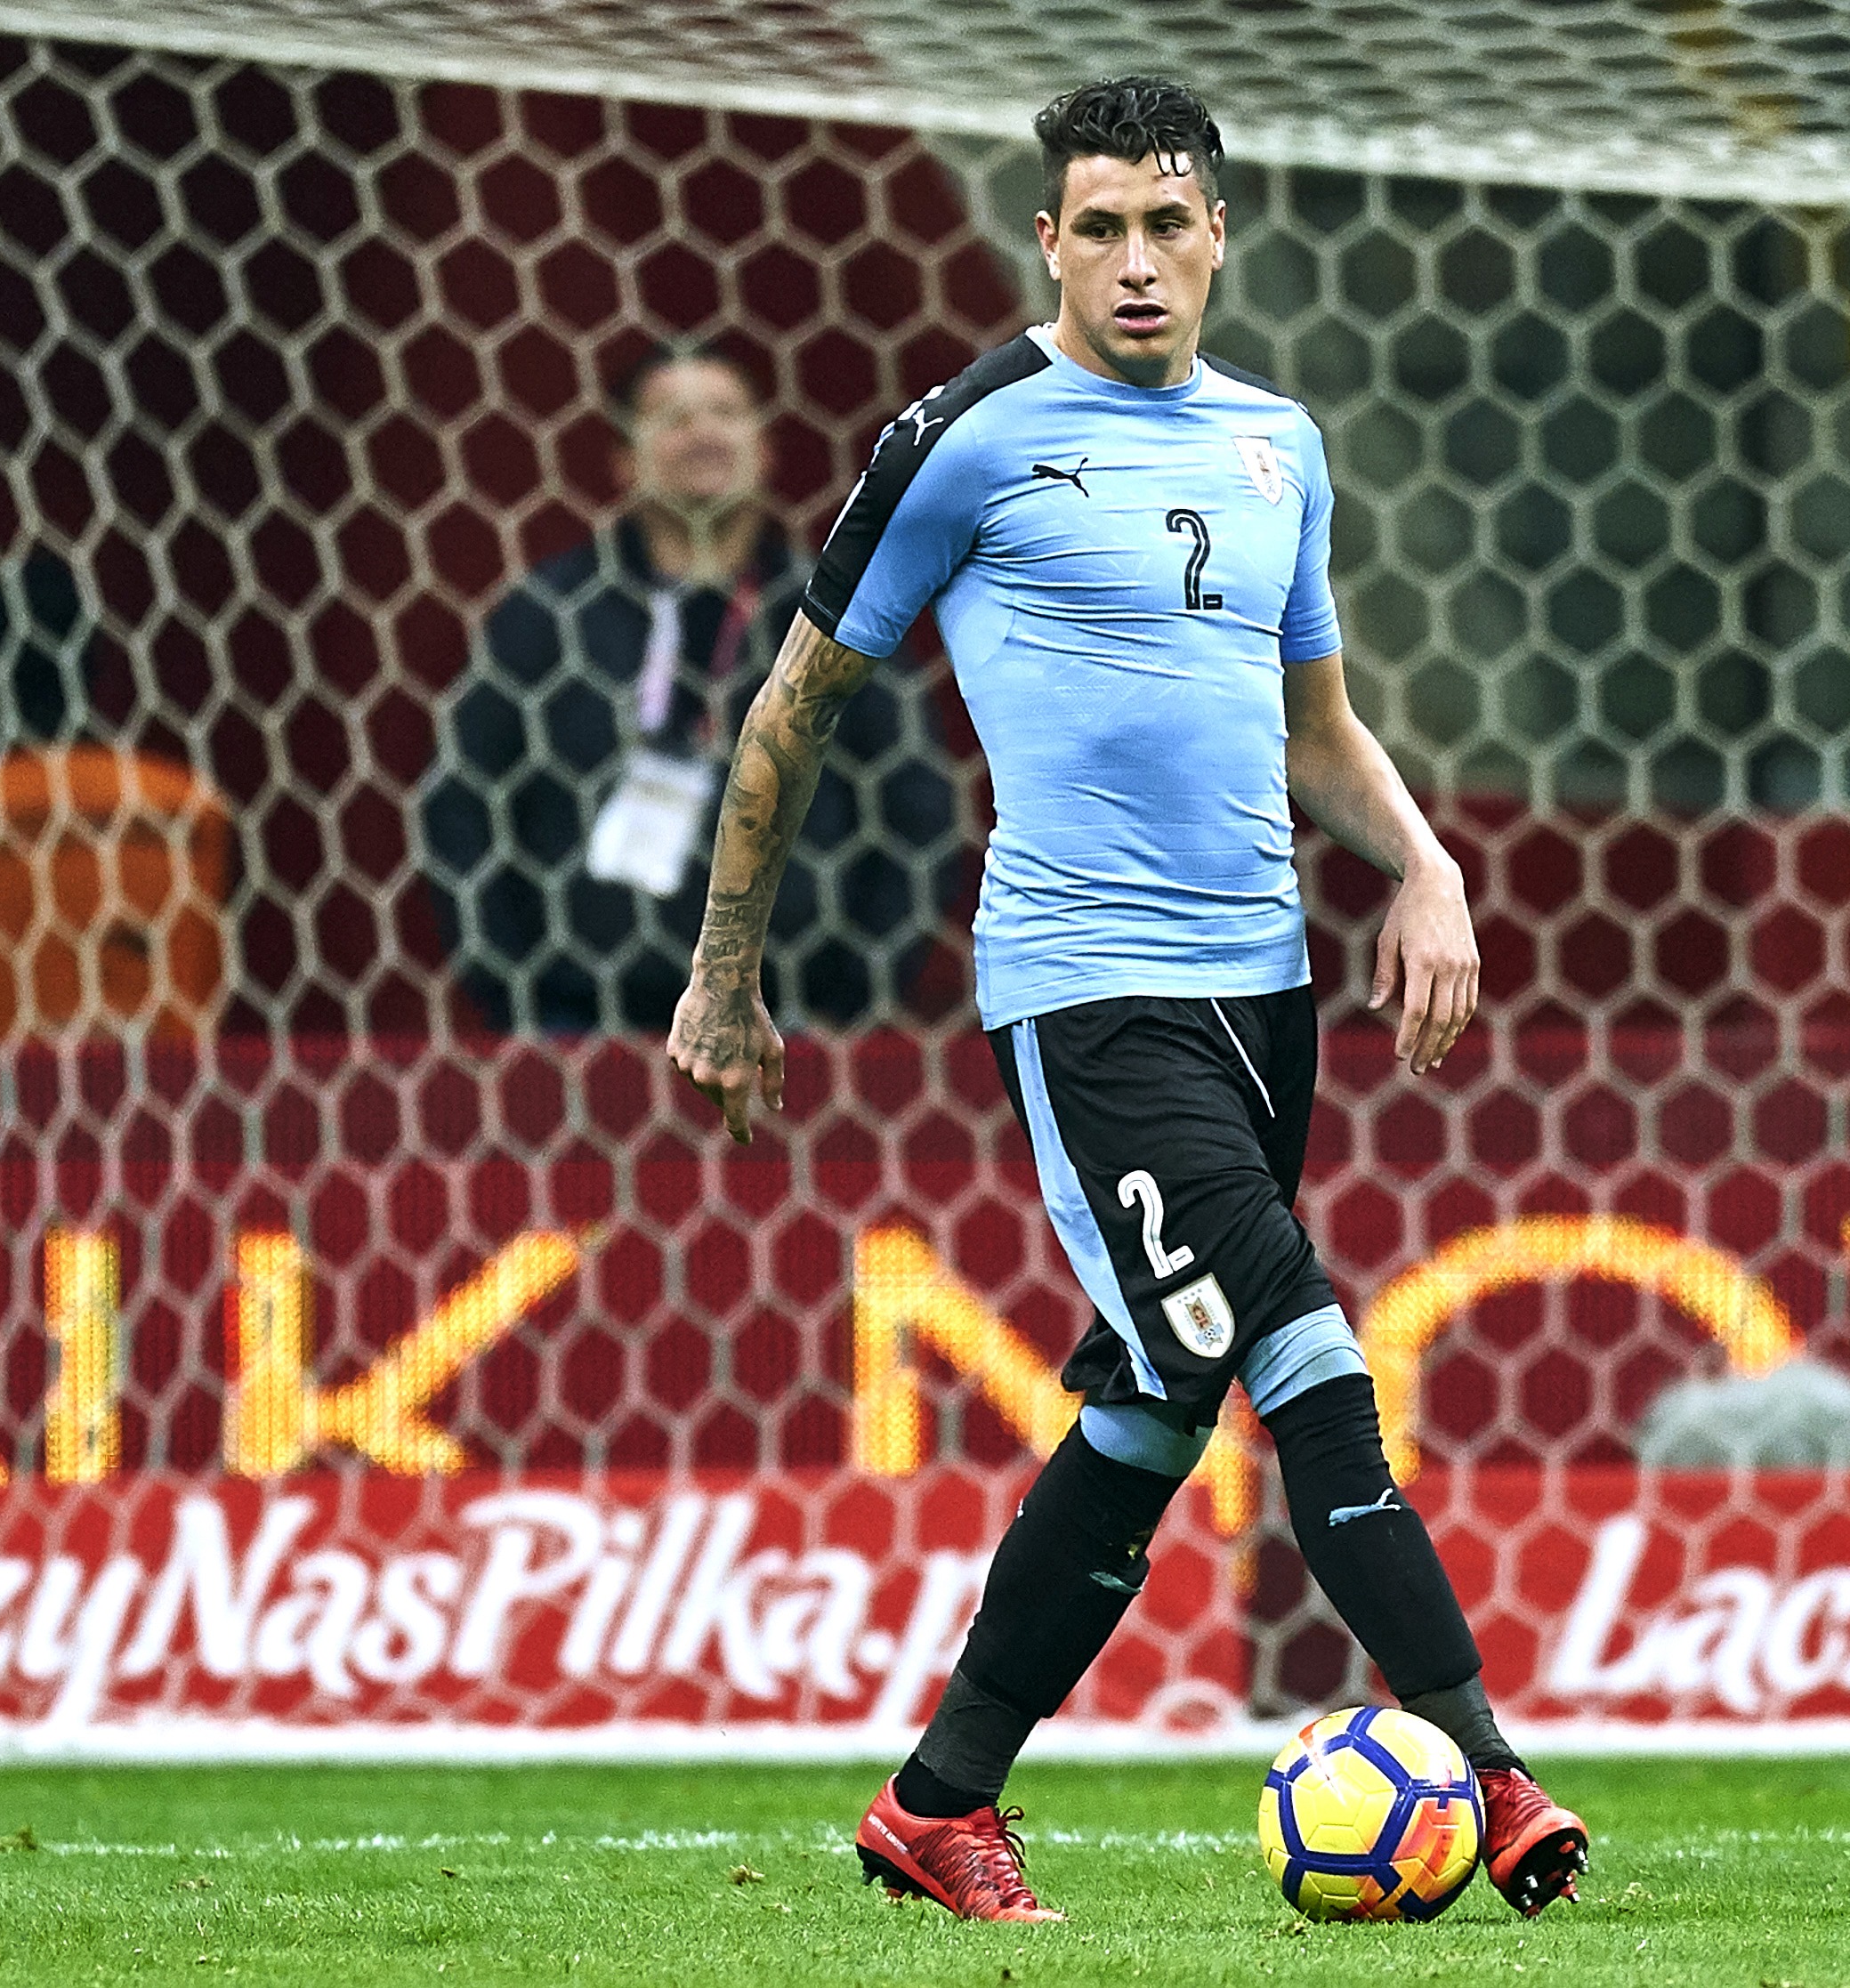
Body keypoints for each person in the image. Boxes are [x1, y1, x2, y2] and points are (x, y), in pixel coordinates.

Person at [665, 77, 1589, 1923]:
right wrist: (725, 972)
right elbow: (794, 705)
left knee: (1159, 1405)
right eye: (1102, 227)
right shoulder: (966, 434)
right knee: (1304, 1352)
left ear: (1221, 236)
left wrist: (1424, 863)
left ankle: (937, 1804)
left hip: (1268, 992)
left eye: (1169, 225)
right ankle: (1488, 1772)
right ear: (1049, 244)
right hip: (1093, 999)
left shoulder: (1281, 446)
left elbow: (1311, 723)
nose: (1139, 262)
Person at [419, 343, 951, 1035]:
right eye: (671, 418)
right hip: (579, 1026)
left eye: (725, 413)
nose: (702, 434)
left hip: (789, 1027)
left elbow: (917, 813)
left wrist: (847, 1003)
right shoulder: (546, 617)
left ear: (765, 450)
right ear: (621, 460)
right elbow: (461, 805)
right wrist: (519, 998)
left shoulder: (839, 619)